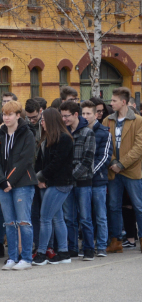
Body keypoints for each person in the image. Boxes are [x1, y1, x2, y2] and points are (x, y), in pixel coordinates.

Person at [0, 101, 38, 271]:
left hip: (22, 184)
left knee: (24, 222)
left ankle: (26, 258)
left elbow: (26, 160)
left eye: (10, 114)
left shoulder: (27, 133)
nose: (6, 117)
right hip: (3, 185)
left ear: (18, 115)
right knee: (9, 223)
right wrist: (2, 181)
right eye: (4, 114)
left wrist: (9, 181)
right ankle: (12, 257)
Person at [33, 108, 75, 265]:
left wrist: (42, 176)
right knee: (57, 218)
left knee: (45, 218)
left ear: (50, 121)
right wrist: (40, 177)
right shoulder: (47, 139)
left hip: (60, 183)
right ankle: (64, 253)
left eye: (43, 120)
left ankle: (42, 253)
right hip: (51, 182)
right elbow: (41, 162)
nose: (41, 122)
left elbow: (56, 163)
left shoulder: (64, 138)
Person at [103, 87, 142, 253]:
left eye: (114, 101)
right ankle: (116, 241)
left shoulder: (138, 121)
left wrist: (121, 164)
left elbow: (139, 147)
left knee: (138, 206)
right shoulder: (108, 121)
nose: (111, 103)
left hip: (131, 171)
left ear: (123, 102)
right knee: (113, 206)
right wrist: (113, 162)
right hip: (113, 171)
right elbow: (104, 144)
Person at [59, 101, 96, 259]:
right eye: (62, 116)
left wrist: (72, 175)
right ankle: (72, 247)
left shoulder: (88, 133)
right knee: (69, 218)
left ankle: (89, 248)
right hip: (67, 182)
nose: (64, 119)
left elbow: (88, 160)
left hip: (83, 181)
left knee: (85, 217)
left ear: (75, 115)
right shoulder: (63, 132)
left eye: (66, 116)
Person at [81, 100, 112, 257]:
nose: (85, 116)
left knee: (100, 215)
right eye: (83, 113)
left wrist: (89, 171)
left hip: (98, 180)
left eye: (88, 113)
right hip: (82, 181)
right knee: (85, 216)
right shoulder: (79, 131)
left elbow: (105, 157)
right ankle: (87, 246)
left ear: (96, 115)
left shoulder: (105, 132)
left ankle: (101, 246)